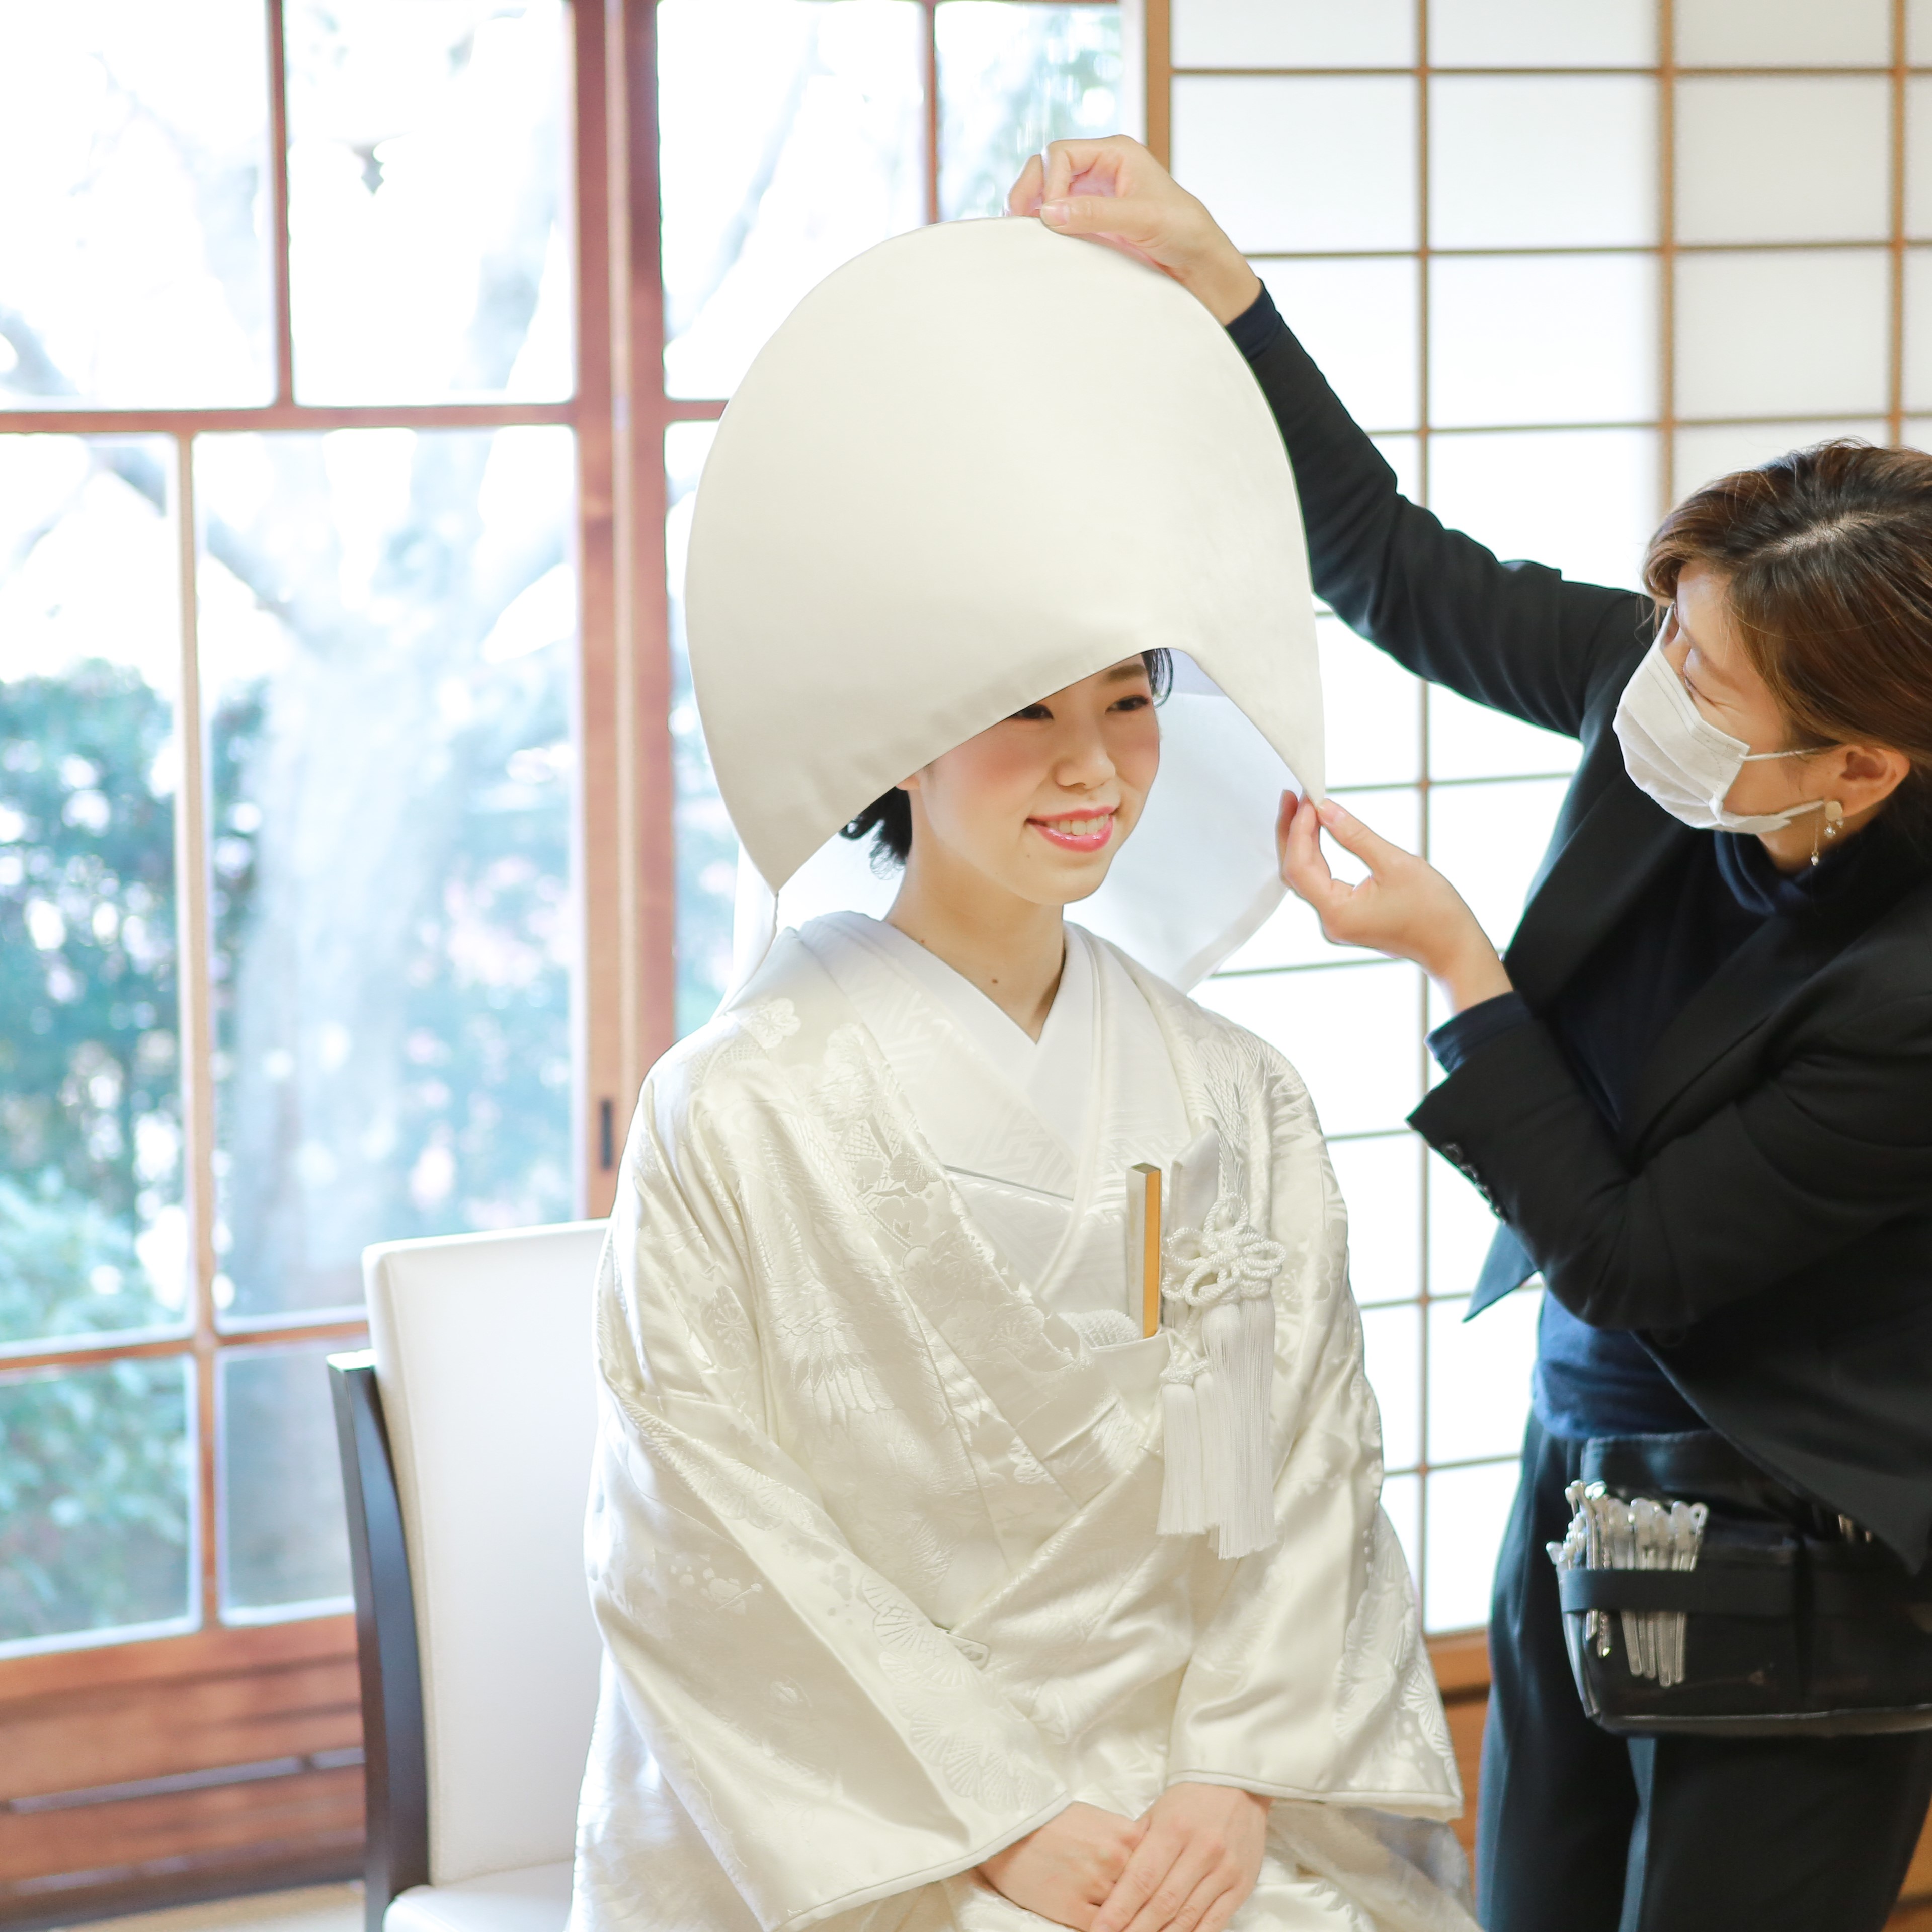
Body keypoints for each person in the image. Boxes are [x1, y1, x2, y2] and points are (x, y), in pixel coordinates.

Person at [1006, 138, 1932, 1932]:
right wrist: (1223, 290)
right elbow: (1393, 570)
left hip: (1812, 1524)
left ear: (1859, 768)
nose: (1651, 687)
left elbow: (1635, 1254)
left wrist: (1458, 967)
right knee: (1535, 1903)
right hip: (1587, 1456)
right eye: (1665, 634)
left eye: (1702, 677)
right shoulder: (1686, 693)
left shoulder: (1909, 992)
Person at [568, 218, 1478, 1932]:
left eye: (1128, 705)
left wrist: (1228, 1769)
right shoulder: (738, 1107)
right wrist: (992, 1817)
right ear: (897, 741)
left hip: (1204, 1780)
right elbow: (703, 1525)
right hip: (879, 1812)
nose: (1094, 772)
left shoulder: (1232, 1089)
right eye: (1026, 714)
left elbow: (1312, 1471)